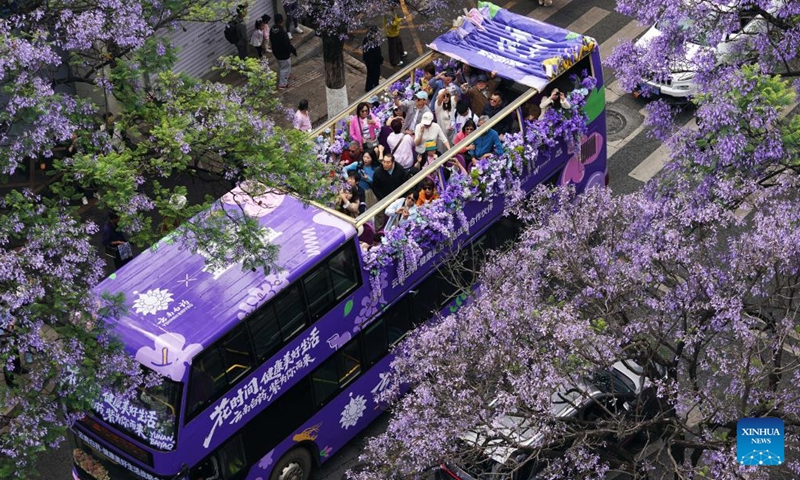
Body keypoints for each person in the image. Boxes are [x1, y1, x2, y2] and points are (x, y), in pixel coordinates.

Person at [270, 14, 297, 90]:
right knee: (284, 68)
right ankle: (282, 84)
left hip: (276, 52)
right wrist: (293, 50)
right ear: (281, 20)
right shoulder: (282, 32)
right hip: (283, 54)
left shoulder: (272, 29)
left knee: (282, 66)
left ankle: (287, 76)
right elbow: (287, 44)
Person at [362, 26, 384, 92]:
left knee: (370, 74)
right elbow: (377, 53)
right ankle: (374, 86)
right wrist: (380, 59)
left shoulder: (366, 39)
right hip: (373, 62)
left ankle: (369, 87)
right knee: (375, 74)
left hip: (368, 61)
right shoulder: (373, 41)